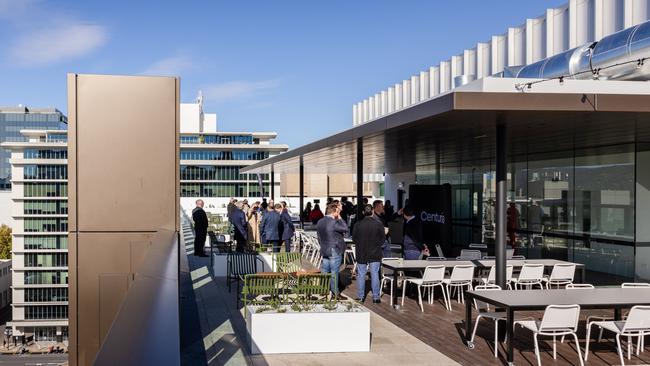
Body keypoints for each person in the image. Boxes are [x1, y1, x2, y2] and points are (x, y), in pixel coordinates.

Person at [316, 202, 349, 300]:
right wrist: (340, 218)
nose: (338, 214)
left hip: (325, 248)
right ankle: (335, 293)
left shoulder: (320, 221)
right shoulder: (334, 222)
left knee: (325, 270)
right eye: (338, 212)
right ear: (334, 212)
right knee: (334, 272)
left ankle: (324, 289)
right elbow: (345, 229)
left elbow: (318, 236)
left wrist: (322, 245)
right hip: (334, 248)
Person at [353, 204, 385, 303]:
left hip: (361, 251)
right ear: (372, 212)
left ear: (363, 212)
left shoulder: (358, 224)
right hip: (375, 252)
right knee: (375, 274)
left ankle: (361, 296)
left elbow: (354, 239)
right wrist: (376, 245)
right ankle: (376, 297)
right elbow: (383, 239)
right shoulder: (378, 223)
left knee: (361, 274)